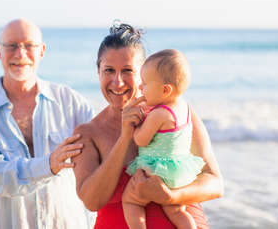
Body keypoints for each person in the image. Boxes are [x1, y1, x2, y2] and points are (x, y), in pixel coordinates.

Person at [72, 23, 224, 229]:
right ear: (98, 71)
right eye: (108, 70)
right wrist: (125, 137)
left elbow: (215, 183)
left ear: (143, 73)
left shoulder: (177, 114)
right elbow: (92, 201)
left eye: (127, 70)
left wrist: (170, 196)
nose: (118, 82)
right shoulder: (88, 133)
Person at [0, 19, 95, 229]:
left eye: (29, 45)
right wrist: (48, 165)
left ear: (42, 51)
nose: (20, 54)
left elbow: (103, 156)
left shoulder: (71, 102)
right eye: (11, 45)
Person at [123, 49, 205, 229]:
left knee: (130, 201)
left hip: (157, 171)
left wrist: (134, 125)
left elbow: (141, 140)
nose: (141, 88)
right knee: (176, 211)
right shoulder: (184, 107)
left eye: (145, 84)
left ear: (165, 90)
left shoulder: (159, 114)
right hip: (179, 171)